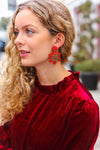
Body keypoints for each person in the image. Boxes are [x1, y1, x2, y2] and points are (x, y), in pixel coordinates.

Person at [0, 0, 99, 149]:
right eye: (16, 32)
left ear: (58, 40)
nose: (17, 40)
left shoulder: (80, 106)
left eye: (29, 31)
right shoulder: (23, 87)